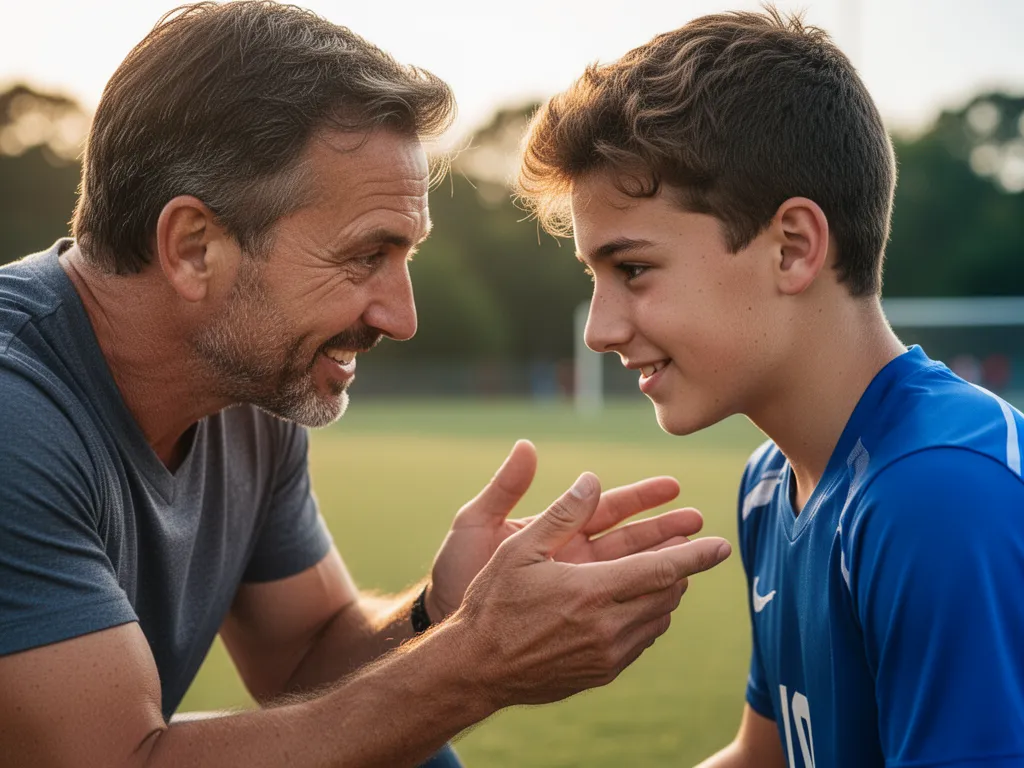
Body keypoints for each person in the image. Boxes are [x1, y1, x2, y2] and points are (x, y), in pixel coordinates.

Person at [0, 3, 734, 766]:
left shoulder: (247, 384)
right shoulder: (14, 412)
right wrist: (475, 658)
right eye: (364, 256)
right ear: (193, 249)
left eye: (405, 256)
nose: (403, 316)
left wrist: (443, 612)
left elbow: (305, 655)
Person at [516, 8, 1024, 767]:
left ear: (792, 249)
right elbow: (767, 756)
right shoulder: (770, 483)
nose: (600, 329)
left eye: (633, 270)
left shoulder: (938, 493)